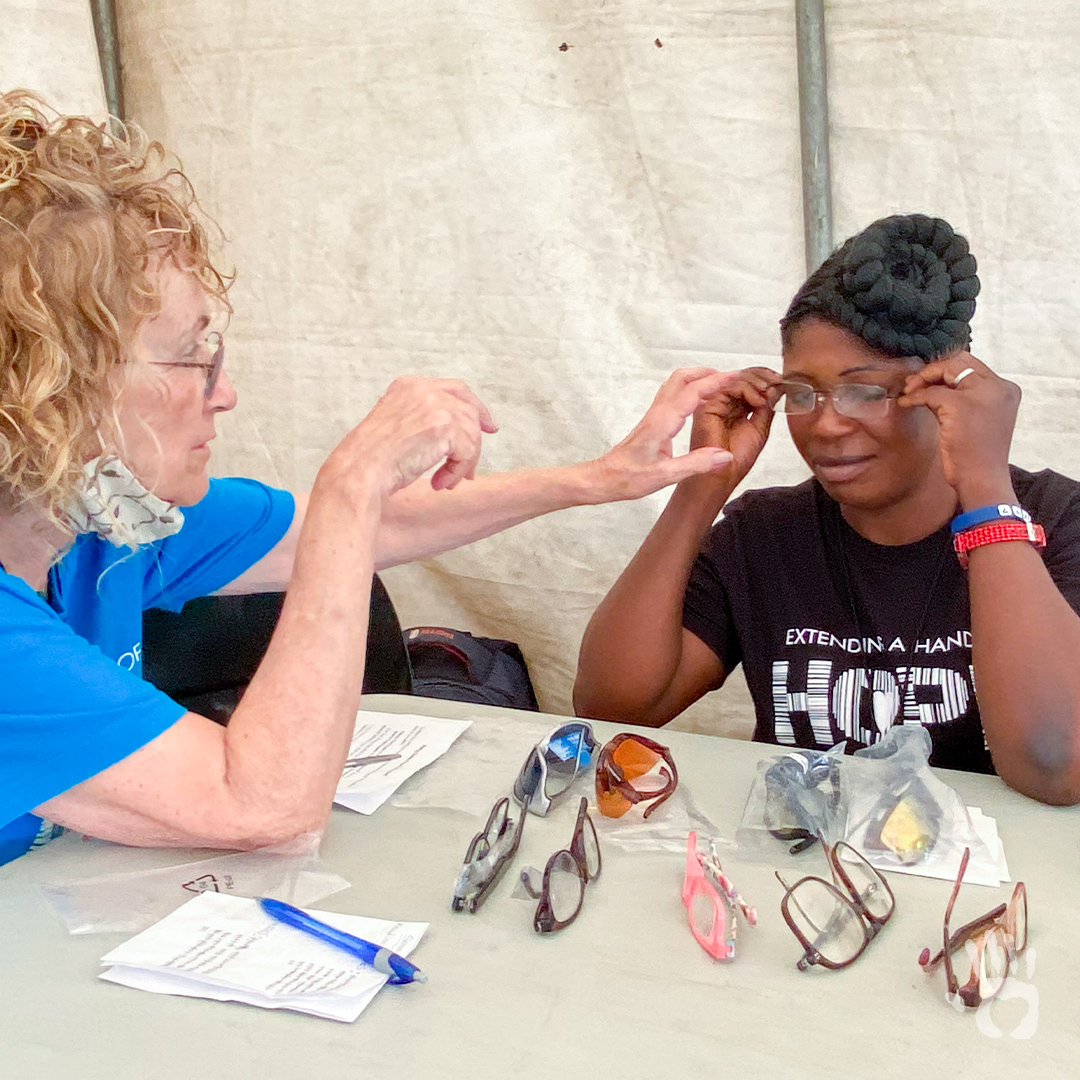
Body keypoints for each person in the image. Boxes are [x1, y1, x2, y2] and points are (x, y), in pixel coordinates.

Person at [0, 91, 739, 867]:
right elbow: (263, 806)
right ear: (54, 384)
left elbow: (375, 528)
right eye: (195, 356)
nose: (225, 393)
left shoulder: (100, 527)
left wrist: (598, 478)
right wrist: (353, 481)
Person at [575, 213, 1080, 806]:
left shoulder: (1056, 519)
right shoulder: (762, 535)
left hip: (986, 884)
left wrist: (985, 484)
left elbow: (1055, 765)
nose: (826, 424)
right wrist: (700, 486)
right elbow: (615, 705)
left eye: (865, 390)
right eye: (801, 392)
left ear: (947, 389)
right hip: (799, 875)